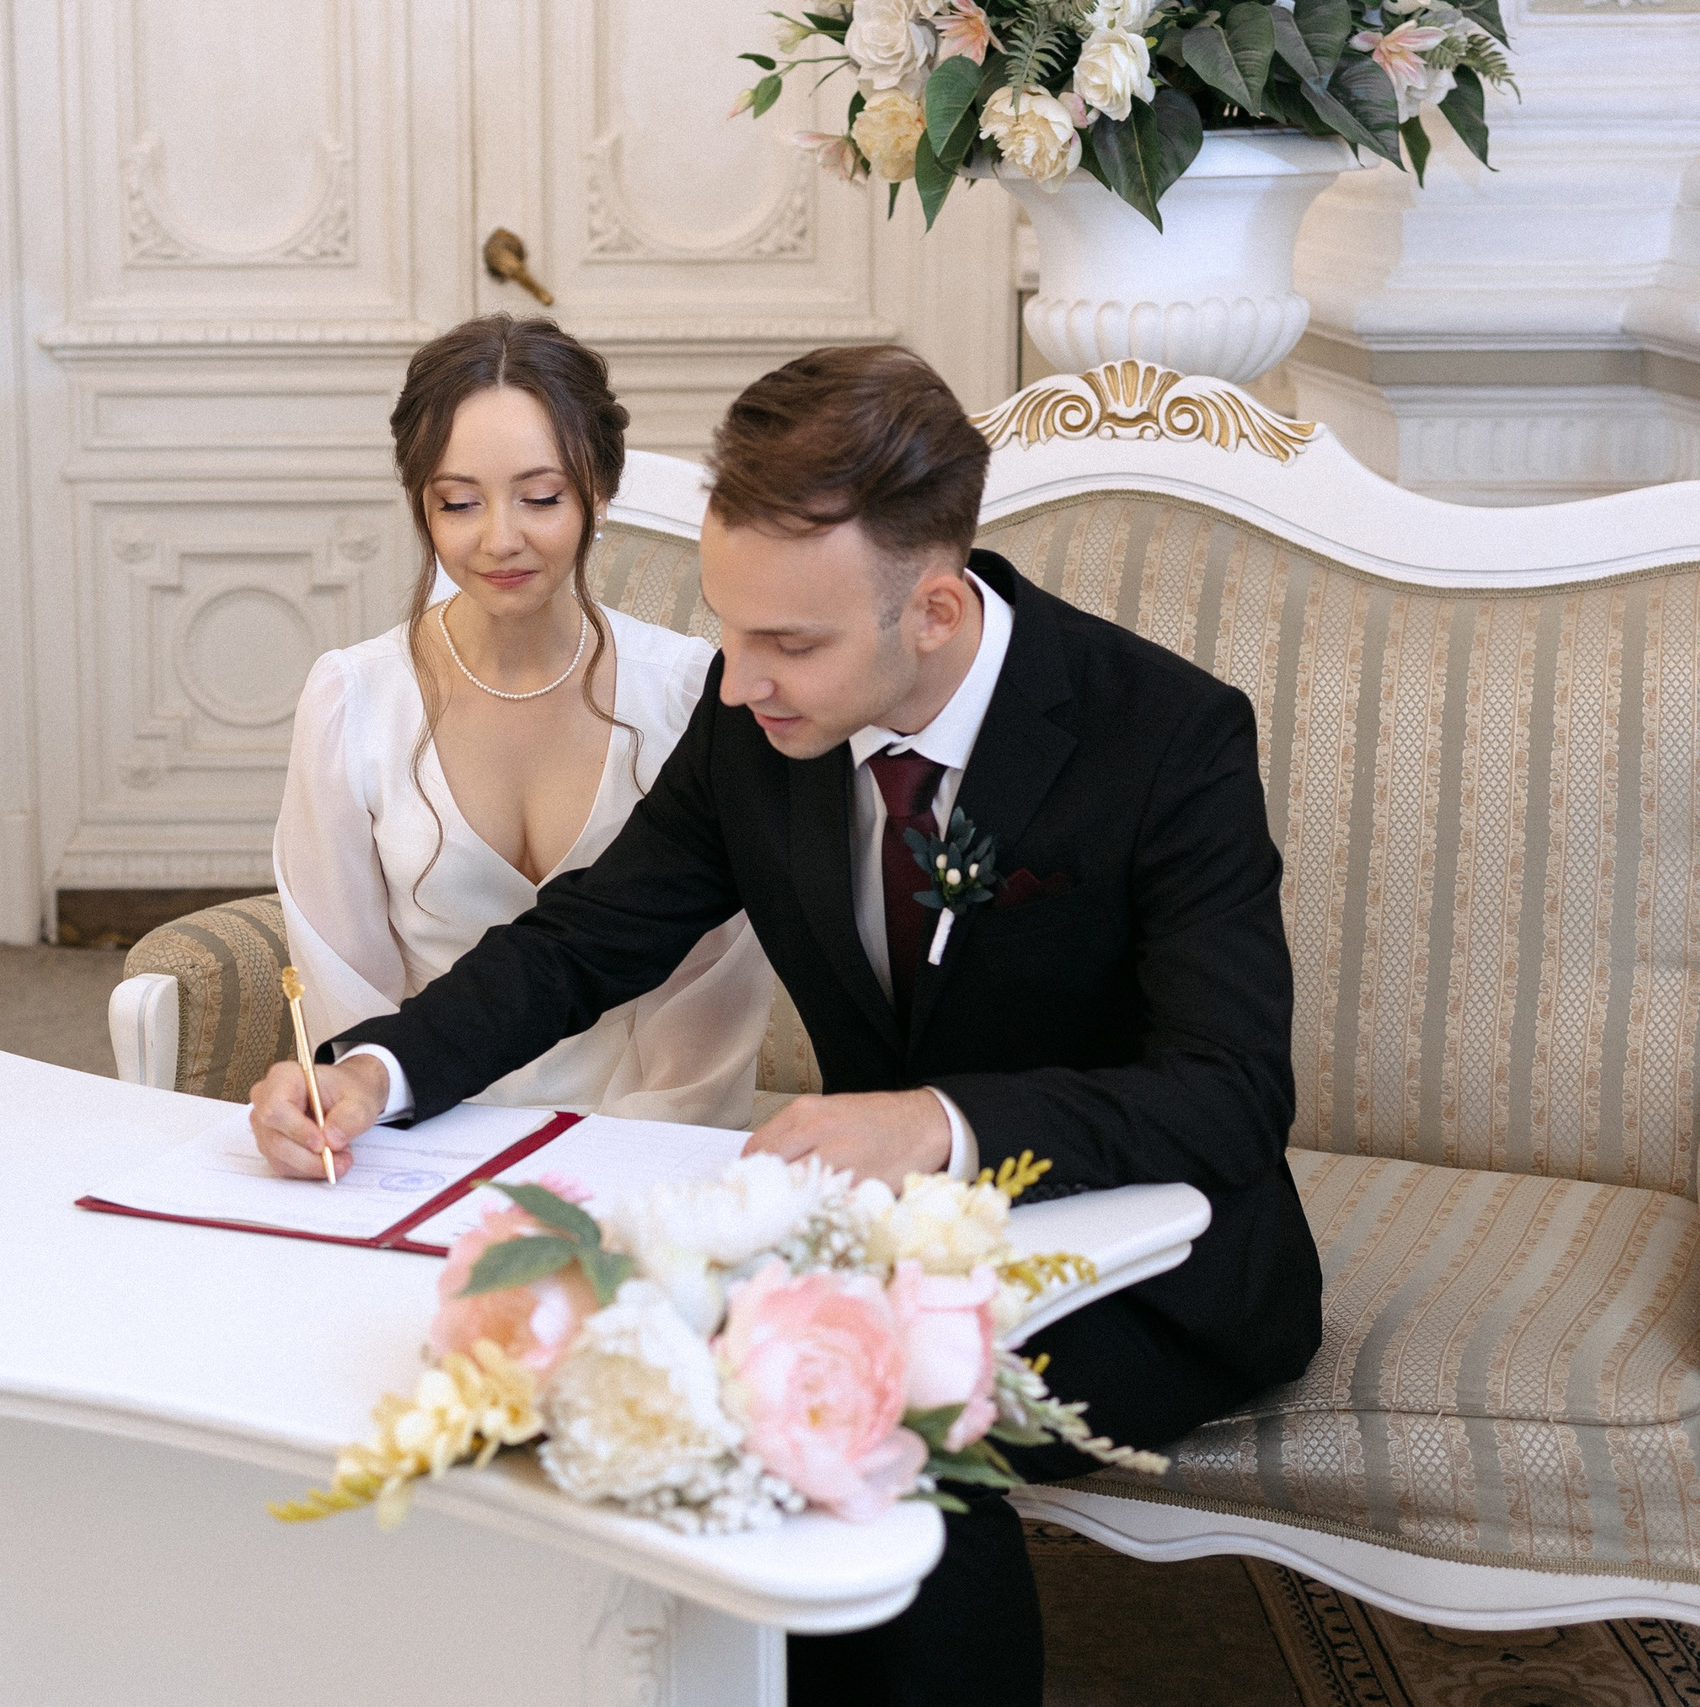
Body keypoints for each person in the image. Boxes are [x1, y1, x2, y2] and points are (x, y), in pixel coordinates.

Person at [248, 344, 1323, 1705]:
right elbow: (589, 934)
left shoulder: (1164, 735)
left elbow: (1229, 1092)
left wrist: (933, 1120)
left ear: (932, 608)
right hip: (865, 1248)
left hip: (1144, 1265)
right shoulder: (755, 716)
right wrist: (372, 1069)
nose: (740, 677)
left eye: (791, 642)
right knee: (662, 1349)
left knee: (859, 1399)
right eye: (729, 625)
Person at [272, 314, 772, 1130]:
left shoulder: (686, 695)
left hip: (642, 1153)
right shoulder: (351, 702)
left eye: (540, 497)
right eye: (459, 503)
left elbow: (712, 993)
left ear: (599, 492)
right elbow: (344, 987)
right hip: (415, 1128)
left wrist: (631, 1172)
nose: (500, 539)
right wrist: (382, 1117)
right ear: (422, 508)